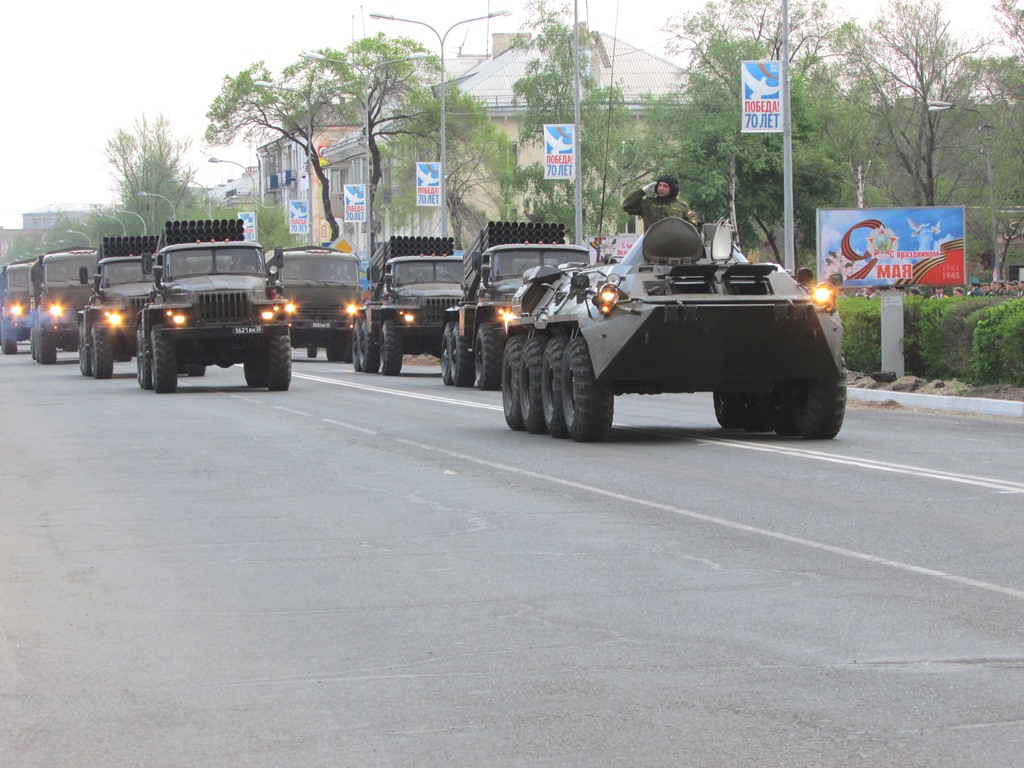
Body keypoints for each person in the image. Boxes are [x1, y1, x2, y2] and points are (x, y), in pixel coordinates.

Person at [622, 174, 697, 230]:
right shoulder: (649, 204)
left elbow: (693, 227)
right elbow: (627, 206)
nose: (661, 188)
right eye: (659, 185)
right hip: (652, 246)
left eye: (665, 186)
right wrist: (643, 191)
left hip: (675, 246)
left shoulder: (682, 207)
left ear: (673, 189)